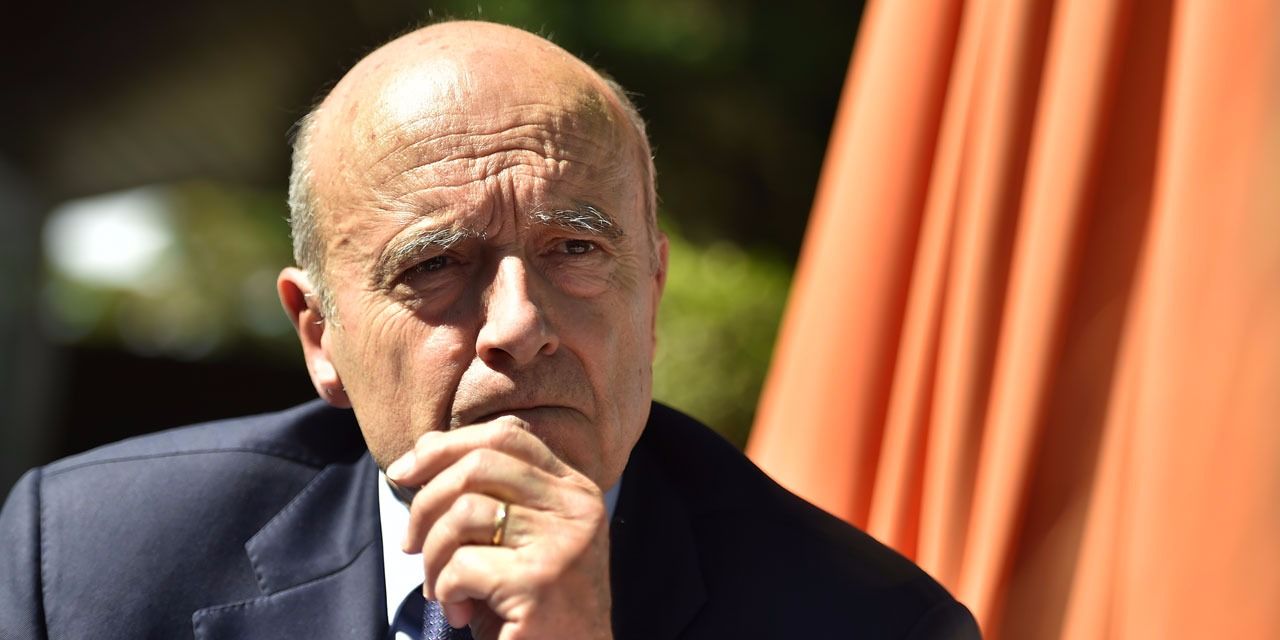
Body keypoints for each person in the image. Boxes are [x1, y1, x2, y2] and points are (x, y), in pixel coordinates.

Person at [0, 20, 980, 640]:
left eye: (576, 250)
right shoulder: (90, 559)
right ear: (320, 336)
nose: (517, 325)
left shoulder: (868, 622)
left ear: (650, 290)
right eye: (435, 265)